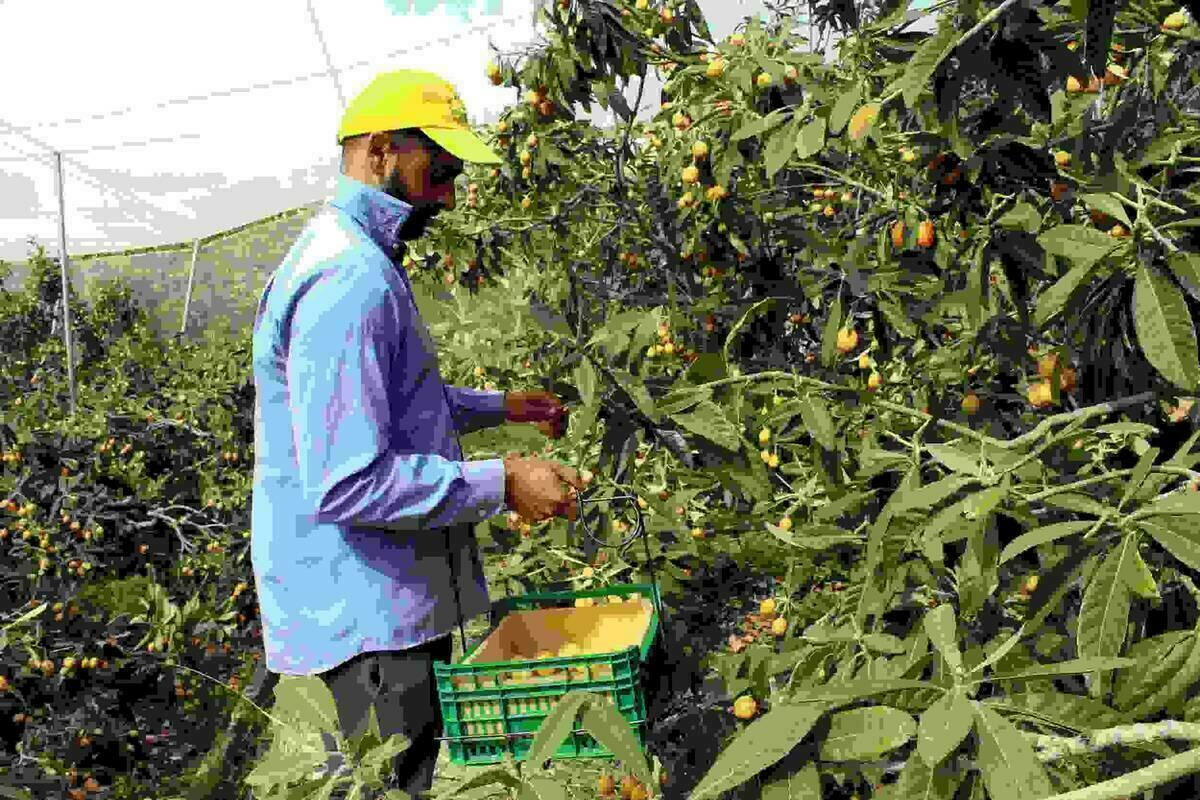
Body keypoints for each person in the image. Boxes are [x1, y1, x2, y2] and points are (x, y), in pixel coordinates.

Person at [250, 69, 584, 798]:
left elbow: (393, 402)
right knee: (389, 784)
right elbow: (349, 480)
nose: (448, 195)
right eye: (438, 171)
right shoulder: (349, 280)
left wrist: (502, 408)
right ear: (379, 150)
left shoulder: (352, 257)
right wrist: (505, 481)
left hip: (371, 610)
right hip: (366, 622)